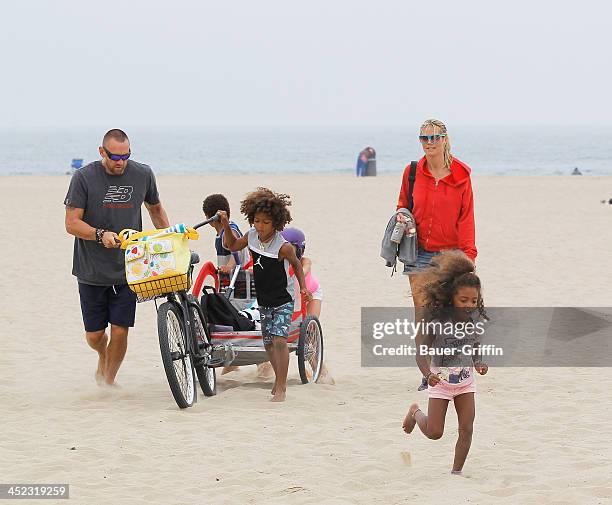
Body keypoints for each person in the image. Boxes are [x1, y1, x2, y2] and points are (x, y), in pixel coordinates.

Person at [64, 129, 170, 386]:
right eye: (114, 156)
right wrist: (100, 235)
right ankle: (102, 353)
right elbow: (71, 223)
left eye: (126, 156)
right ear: (102, 152)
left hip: (129, 267)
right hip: (91, 269)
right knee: (95, 335)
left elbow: (155, 208)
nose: (120, 161)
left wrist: (168, 238)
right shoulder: (83, 178)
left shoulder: (143, 174)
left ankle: (107, 383)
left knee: (121, 330)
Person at [396, 119, 477, 390]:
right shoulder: (412, 172)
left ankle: (449, 368)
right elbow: (402, 205)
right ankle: (427, 374)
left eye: (435, 137)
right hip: (418, 252)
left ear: (445, 139)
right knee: (423, 316)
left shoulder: (462, 175)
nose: (429, 143)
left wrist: (468, 257)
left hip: (450, 256)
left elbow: (466, 219)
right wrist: (402, 219)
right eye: (424, 138)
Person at [218, 188, 312, 402]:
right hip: (264, 299)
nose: (260, 226)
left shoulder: (284, 247)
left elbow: (297, 266)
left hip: (282, 300)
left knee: (280, 340)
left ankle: (281, 387)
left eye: (265, 222)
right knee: (268, 343)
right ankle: (279, 380)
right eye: (257, 221)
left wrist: (304, 287)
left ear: (276, 223)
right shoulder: (251, 236)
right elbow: (231, 245)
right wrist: (225, 224)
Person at [402, 250, 488, 475]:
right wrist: (427, 374)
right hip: (440, 383)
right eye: (463, 300)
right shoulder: (438, 321)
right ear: (451, 298)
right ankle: (415, 413)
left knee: (467, 428)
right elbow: (421, 351)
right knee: (434, 432)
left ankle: (456, 472)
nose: (469, 305)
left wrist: (479, 362)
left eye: (474, 300)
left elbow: (475, 345)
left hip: (465, 383)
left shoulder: (474, 321)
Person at [280, 227, 334, 384]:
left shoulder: (304, 261)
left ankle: (321, 371)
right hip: (293, 297)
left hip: (312, 295)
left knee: (309, 332)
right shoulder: (279, 262)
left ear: (299, 249)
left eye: (290, 247)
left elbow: (303, 271)